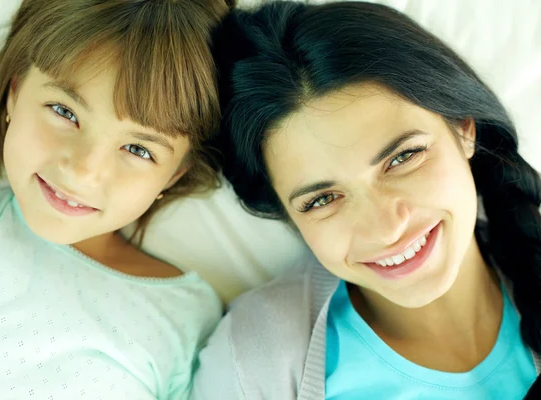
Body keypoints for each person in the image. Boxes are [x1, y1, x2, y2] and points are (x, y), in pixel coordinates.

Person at [192, 1, 541, 399]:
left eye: (402, 158)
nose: (386, 226)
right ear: (286, 214)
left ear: (464, 128)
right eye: (322, 199)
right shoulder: (252, 363)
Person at [0, 0, 229, 398]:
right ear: (14, 94)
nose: (83, 172)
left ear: (174, 175)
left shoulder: (192, 314)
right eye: (64, 111)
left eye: (139, 150)